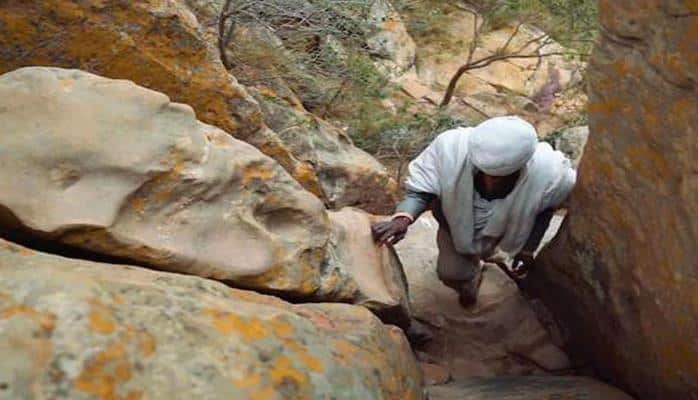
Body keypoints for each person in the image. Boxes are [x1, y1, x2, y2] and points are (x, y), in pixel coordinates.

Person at [372, 116, 576, 308]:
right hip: (453, 226)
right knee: (450, 273)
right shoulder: (450, 149)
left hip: (505, 230)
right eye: (484, 172)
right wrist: (402, 218)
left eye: (500, 177)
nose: (490, 181)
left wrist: (527, 249)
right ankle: (471, 276)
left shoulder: (549, 172)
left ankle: (488, 254)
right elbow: (421, 191)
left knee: (487, 251)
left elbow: (546, 210)